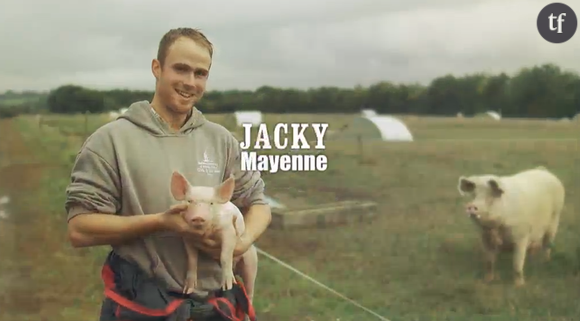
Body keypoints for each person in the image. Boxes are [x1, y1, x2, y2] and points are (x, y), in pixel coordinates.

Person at [64, 27, 271, 321]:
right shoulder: (111, 141)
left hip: (215, 309)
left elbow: (259, 204)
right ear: (156, 68)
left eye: (200, 73)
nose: (190, 82)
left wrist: (241, 242)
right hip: (144, 308)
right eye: (181, 69)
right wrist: (161, 223)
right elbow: (80, 229)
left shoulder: (221, 140)